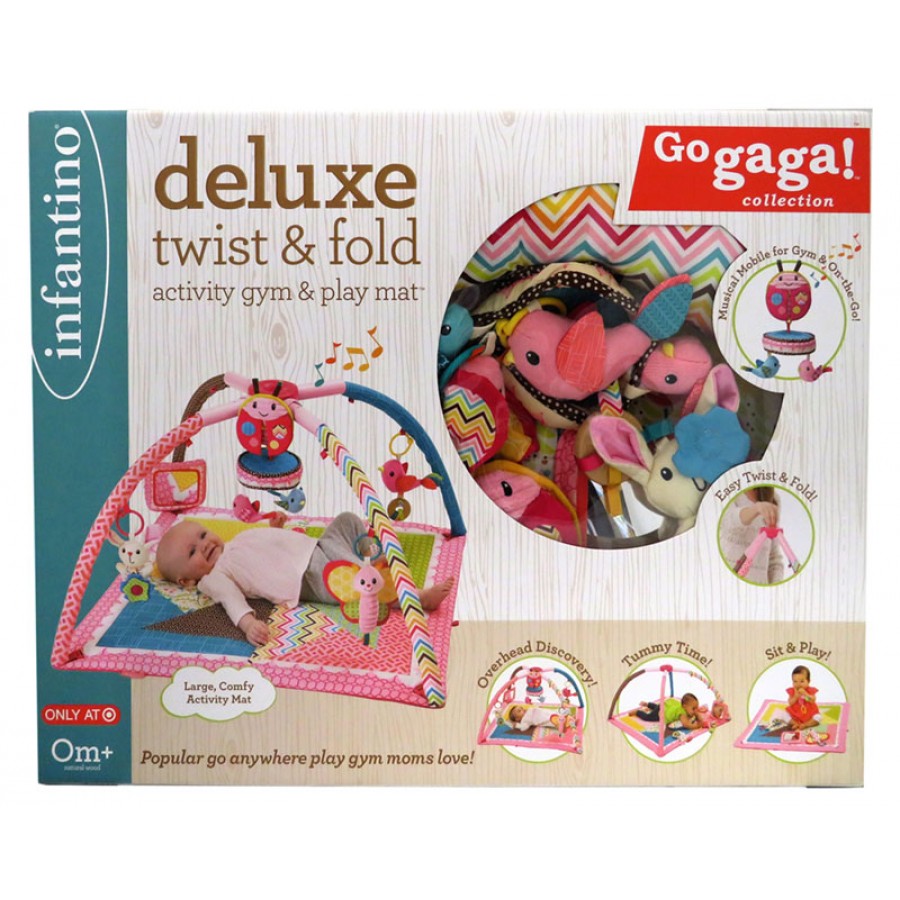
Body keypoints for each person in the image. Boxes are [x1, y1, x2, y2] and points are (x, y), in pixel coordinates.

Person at [156, 512, 454, 645]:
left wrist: (276, 529)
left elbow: (269, 548)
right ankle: (414, 597)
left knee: (347, 521)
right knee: (357, 581)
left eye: (202, 534)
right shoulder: (214, 577)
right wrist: (248, 625)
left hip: (316, 547)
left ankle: (371, 560)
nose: (204, 544)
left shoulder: (233, 543)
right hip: (310, 577)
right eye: (192, 551)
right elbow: (232, 600)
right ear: (186, 581)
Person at [720, 486, 785, 584]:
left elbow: (774, 559)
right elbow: (730, 521)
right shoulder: (728, 490)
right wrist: (756, 509)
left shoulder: (773, 498)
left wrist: (776, 585)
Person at [776, 665, 820, 730]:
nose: (798, 684)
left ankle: (805, 724)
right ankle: (795, 723)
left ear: (808, 681)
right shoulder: (792, 691)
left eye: (802, 681)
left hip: (809, 712)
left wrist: (805, 694)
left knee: (818, 717)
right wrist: (795, 696)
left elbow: (812, 700)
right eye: (795, 681)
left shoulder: (810, 690)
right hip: (795, 713)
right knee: (784, 714)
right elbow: (790, 703)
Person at [633, 692, 704, 730]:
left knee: (657, 707)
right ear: (684, 706)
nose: (696, 710)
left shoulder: (687, 708)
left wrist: (697, 715)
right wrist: (698, 726)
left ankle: (648, 704)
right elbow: (686, 724)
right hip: (662, 712)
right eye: (693, 708)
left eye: (697, 707)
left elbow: (697, 715)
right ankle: (637, 712)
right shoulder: (682, 713)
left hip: (666, 706)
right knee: (649, 717)